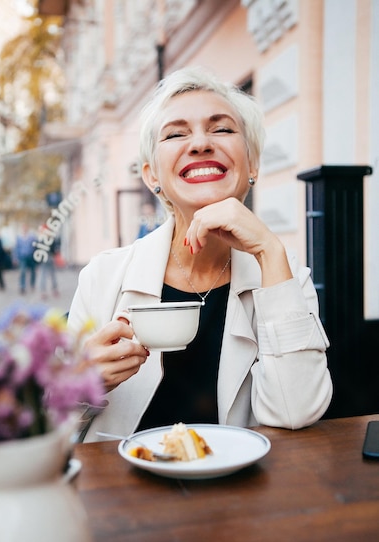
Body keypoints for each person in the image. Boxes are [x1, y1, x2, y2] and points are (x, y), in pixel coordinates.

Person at [68, 66, 333, 442]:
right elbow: (52, 434)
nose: (200, 144)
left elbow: (298, 411)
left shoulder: (286, 278)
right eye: (176, 134)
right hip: (123, 496)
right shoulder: (103, 277)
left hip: (239, 493)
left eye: (222, 129)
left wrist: (269, 250)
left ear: (253, 163)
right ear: (151, 176)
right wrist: (78, 387)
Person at [15, 224, 37, 295]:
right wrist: (15, 258)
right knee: (22, 272)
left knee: (33, 271)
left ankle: (32, 284)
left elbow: (35, 246)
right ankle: (22, 286)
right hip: (22, 257)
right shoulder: (19, 238)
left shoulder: (32, 237)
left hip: (31, 257)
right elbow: (16, 248)